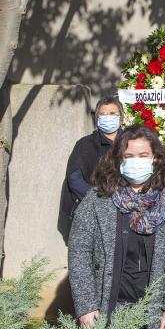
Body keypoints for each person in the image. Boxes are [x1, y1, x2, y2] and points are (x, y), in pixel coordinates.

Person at [68, 125, 165, 329]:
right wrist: (86, 306)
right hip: (113, 308)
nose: (135, 162)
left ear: (156, 158)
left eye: (143, 155)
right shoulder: (98, 199)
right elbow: (79, 251)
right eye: (128, 157)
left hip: (157, 310)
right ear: (117, 160)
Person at [59, 96, 123, 239]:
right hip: (94, 211)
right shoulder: (85, 144)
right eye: (103, 114)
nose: (108, 117)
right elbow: (75, 178)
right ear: (97, 118)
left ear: (121, 118)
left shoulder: (131, 142)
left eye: (113, 114)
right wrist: (101, 200)